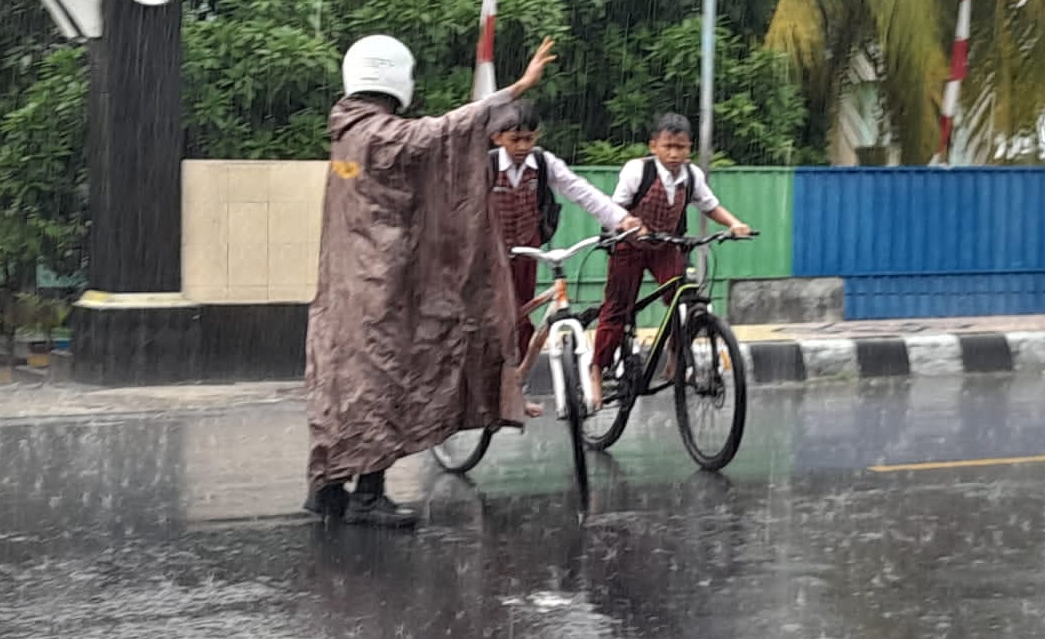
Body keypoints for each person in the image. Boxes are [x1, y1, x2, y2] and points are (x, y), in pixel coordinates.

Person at [304, 35, 559, 529]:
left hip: (344, 286)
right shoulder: (380, 134)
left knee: (339, 381)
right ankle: (368, 496)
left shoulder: (347, 131)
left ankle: (329, 488)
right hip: (379, 285)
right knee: (379, 381)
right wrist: (514, 90)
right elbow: (442, 134)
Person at [488, 99, 643, 408]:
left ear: (537, 136)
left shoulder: (544, 164)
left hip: (526, 252)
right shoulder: (485, 165)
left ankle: (513, 388)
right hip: (488, 255)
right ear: (497, 137)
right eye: (514, 139)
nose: (522, 146)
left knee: (521, 323)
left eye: (529, 138)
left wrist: (620, 218)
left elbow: (580, 190)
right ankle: (487, 383)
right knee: (495, 319)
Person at [588, 113, 752, 403]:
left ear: (689, 149)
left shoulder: (692, 176)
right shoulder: (637, 171)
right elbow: (615, 209)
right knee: (617, 310)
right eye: (668, 147)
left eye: (681, 147)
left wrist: (734, 224)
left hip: (666, 246)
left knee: (685, 299)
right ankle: (596, 371)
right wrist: (630, 226)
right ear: (654, 146)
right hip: (629, 246)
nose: (675, 154)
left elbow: (710, 206)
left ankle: (676, 357)